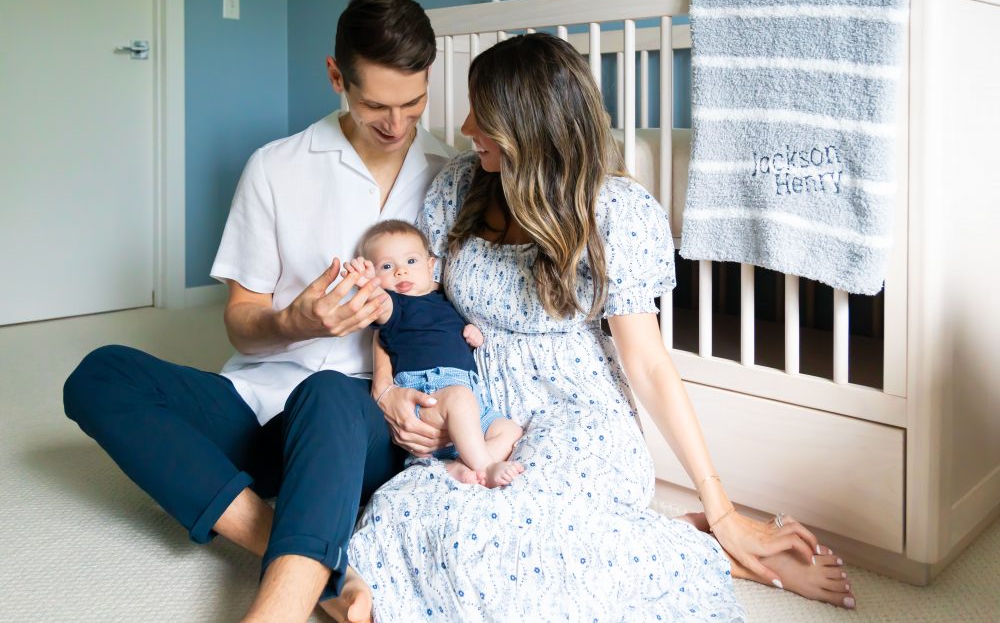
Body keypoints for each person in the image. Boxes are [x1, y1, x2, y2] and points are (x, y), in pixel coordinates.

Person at [343, 33, 856, 621]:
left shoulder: (613, 210)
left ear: (526, 127)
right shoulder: (458, 188)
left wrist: (722, 508)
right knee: (416, 520)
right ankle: (656, 534)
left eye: (480, 116)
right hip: (478, 405)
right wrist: (395, 392)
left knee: (529, 545)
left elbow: (649, 364)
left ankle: (697, 543)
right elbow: (407, 308)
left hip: (574, 405)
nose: (464, 127)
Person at [62, 0, 455, 623]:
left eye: (413, 103)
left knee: (327, 391)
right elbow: (242, 327)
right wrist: (293, 321)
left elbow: (467, 323)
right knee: (100, 375)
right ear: (336, 76)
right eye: (376, 104)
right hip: (260, 404)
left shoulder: (454, 173)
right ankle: (323, 569)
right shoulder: (276, 168)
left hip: (365, 420)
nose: (396, 124)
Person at [345, 219, 525, 488]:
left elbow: (450, 331)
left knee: (510, 430)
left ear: (431, 266)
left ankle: (459, 467)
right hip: (428, 393)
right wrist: (369, 288)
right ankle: (485, 467)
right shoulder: (396, 306)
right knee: (461, 399)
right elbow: (380, 306)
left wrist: (471, 333)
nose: (400, 272)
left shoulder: (446, 299)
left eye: (411, 262)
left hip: (469, 398)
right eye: (387, 266)